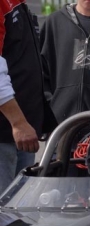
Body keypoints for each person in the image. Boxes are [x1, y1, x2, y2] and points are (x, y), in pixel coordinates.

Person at [0, 1, 54, 194]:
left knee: (18, 211)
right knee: (5, 211)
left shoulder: (18, 3)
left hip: (22, 131)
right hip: (8, 131)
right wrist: (18, 122)